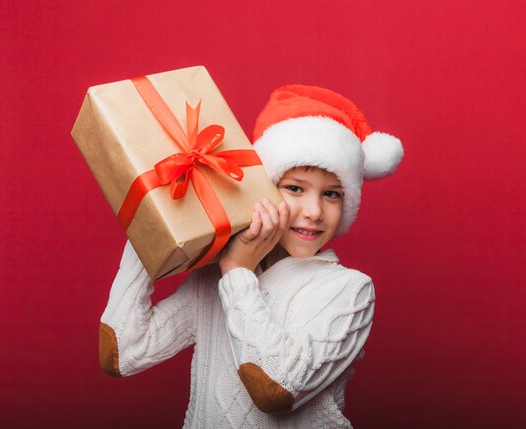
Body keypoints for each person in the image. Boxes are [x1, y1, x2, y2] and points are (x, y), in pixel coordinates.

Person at [98, 85, 404, 428]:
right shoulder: (216, 276)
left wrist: (238, 271)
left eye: (332, 194)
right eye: (295, 188)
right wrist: (153, 219)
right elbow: (123, 353)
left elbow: (276, 389)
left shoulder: (350, 290)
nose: (315, 211)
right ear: (264, 189)